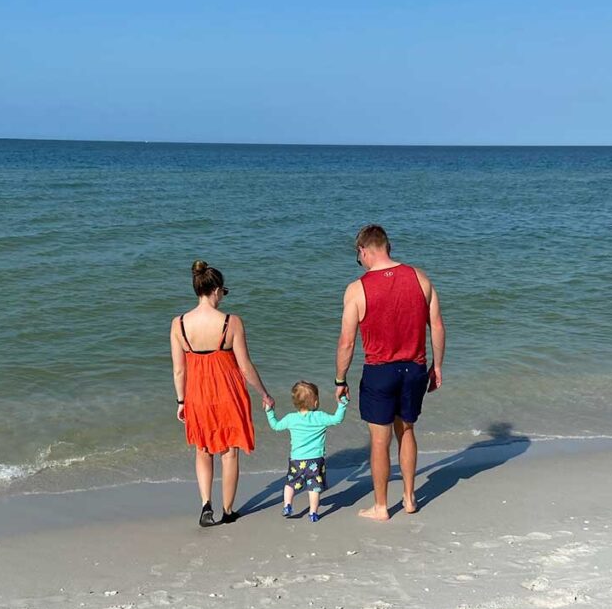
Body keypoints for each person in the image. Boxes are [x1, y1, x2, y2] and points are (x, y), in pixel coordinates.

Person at [334, 224, 446, 520]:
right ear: (387, 246)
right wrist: (438, 366)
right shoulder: (419, 278)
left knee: (380, 441)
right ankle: (409, 498)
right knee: (407, 429)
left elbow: (347, 342)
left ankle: (381, 506)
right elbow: (436, 325)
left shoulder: (357, 289)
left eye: (357, 254)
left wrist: (340, 379)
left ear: (364, 251)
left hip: (379, 371)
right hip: (415, 368)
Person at [171, 260, 274, 527]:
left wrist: (181, 401)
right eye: (223, 292)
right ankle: (228, 510)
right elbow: (245, 366)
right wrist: (264, 393)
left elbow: (179, 371)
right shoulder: (231, 322)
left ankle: (206, 505)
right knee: (230, 451)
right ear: (216, 290)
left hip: (197, 393)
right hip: (229, 392)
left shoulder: (179, 324)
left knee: (203, 449)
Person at [264, 381, 348, 523]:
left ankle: (287, 505)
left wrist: (269, 411)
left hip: (296, 460)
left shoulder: (291, 418)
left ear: (295, 402)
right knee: (314, 487)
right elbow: (337, 419)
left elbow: (276, 426)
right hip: (315, 460)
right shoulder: (320, 416)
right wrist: (343, 403)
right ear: (315, 402)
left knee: (291, 483)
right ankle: (313, 513)